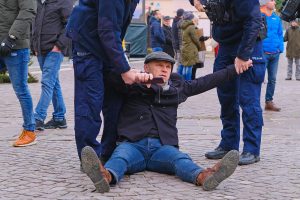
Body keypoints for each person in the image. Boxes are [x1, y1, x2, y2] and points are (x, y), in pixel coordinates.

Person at [80, 51, 250, 193]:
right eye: (159, 65)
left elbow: (208, 81)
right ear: (147, 67)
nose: (164, 70)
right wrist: (137, 77)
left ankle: (205, 176)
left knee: (180, 160)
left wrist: (234, 69)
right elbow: (109, 77)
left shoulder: (178, 89)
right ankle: (104, 176)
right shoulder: (131, 85)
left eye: (168, 66)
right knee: (120, 157)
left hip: (162, 147)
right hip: (132, 144)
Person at [66, 1, 153, 163]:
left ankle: (109, 151)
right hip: (88, 44)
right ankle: (89, 158)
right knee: (90, 102)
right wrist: (124, 69)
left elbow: (114, 29)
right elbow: (108, 30)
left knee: (116, 97)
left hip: (106, 44)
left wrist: (121, 63)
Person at [190, 0, 265, 165]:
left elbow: (253, 21)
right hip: (225, 45)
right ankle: (228, 145)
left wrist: (244, 55)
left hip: (248, 43)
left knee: (248, 99)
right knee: (226, 97)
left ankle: (252, 149)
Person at [31, 0, 73, 130]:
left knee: (47, 83)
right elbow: (35, 25)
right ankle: (59, 118)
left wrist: (59, 46)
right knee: (54, 83)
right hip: (40, 49)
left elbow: (71, 25)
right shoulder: (39, 2)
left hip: (54, 50)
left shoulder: (63, 1)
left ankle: (38, 117)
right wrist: (34, 46)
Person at [0, 0, 37, 147]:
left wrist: (12, 37)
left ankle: (30, 131)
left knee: (21, 89)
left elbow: (28, 10)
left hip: (15, 46)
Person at [260, 0, 284, 112]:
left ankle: (268, 102)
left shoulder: (277, 18)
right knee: (258, 78)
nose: (274, 3)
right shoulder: (259, 16)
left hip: (275, 53)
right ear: (265, 2)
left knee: (272, 79)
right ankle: (253, 101)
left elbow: (280, 34)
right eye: (271, 0)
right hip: (263, 53)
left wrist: (280, 48)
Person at [180, 12, 202, 80]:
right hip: (190, 49)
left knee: (185, 66)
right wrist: (199, 46)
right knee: (189, 67)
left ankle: (183, 81)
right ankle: (188, 82)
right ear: (191, 18)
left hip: (185, 47)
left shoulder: (183, 26)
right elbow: (195, 39)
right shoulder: (191, 27)